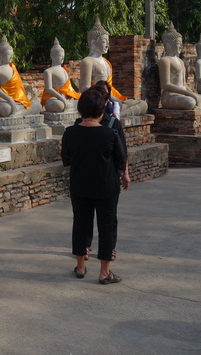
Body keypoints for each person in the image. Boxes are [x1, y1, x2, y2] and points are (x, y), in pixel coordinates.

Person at [61, 87, 129, 284]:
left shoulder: (70, 133)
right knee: (106, 225)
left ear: (80, 110)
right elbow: (120, 160)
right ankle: (104, 272)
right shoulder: (109, 134)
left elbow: (66, 160)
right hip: (106, 185)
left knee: (80, 224)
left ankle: (81, 266)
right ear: (102, 111)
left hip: (80, 184)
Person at [78, 19, 147, 116]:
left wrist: (112, 97)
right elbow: (84, 88)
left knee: (143, 104)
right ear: (93, 42)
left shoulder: (106, 63)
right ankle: (116, 113)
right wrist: (105, 95)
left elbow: (109, 87)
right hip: (97, 100)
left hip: (110, 97)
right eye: (104, 41)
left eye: (108, 42)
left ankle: (119, 113)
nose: (107, 45)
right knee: (117, 103)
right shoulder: (88, 61)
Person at [0, 33, 41, 117]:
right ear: (0, 55)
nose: (11, 57)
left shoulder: (13, 68)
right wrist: (10, 100)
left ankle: (18, 113)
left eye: (12, 55)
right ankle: (19, 112)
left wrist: (14, 101)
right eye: (9, 55)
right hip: (2, 101)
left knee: (38, 106)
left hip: (18, 100)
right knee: (6, 109)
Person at [41, 38, 80, 112]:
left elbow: (68, 89)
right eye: (60, 55)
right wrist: (61, 98)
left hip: (65, 96)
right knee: (59, 105)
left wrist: (66, 98)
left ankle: (70, 105)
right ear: (52, 56)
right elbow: (48, 89)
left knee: (82, 100)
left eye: (63, 55)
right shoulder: (48, 71)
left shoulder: (64, 70)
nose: (62, 57)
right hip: (53, 98)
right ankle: (70, 106)